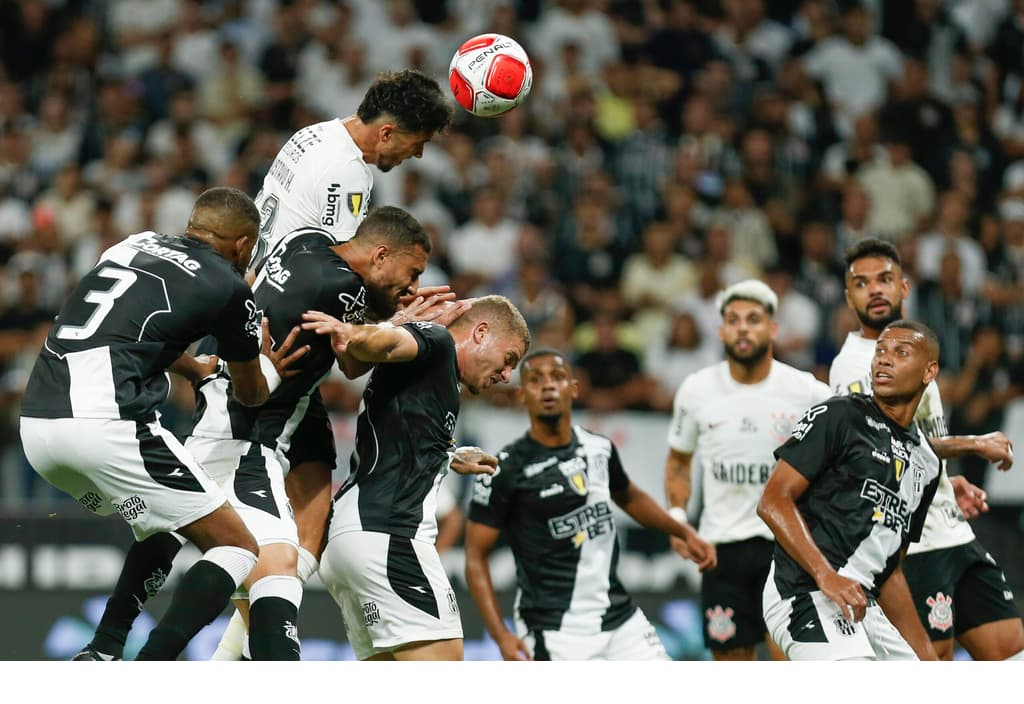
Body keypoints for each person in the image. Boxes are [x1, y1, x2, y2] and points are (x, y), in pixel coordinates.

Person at [73, 205, 459, 660]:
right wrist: (401, 323)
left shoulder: (305, 241)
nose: (413, 287)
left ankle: (108, 647)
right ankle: (142, 662)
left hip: (232, 409)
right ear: (379, 255)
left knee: (230, 546)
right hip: (250, 434)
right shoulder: (341, 287)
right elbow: (354, 361)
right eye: (411, 272)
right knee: (267, 564)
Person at [19, 187, 290, 661]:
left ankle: (102, 650)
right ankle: (151, 669)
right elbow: (250, 393)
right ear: (244, 245)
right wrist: (269, 366)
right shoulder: (230, 286)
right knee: (237, 547)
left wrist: (191, 368)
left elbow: (125, 329)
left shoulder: (131, 244)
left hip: (39, 431)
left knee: (160, 525)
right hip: (106, 428)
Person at [301, 295, 531, 660]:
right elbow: (387, 342)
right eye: (509, 360)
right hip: (390, 539)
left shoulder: (436, 378)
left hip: (352, 540)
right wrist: (358, 333)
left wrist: (448, 456)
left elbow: (398, 433)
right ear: (481, 332)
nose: (506, 376)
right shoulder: (437, 343)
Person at [829, 237, 1024, 660]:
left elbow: (912, 445)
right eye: (861, 284)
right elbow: (879, 446)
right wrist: (974, 443)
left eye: (884, 279)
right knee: (930, 667)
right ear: (849, 298)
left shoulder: (914, 344)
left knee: (1010, 650)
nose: (875, 290)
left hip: (950, 528)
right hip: (908, 549)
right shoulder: (854, 365)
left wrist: (943, 480)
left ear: (904, 287)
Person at [464, 349, 715, 661]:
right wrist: (500, 634)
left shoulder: (599, 448)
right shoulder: (504, 468)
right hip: (554, 629)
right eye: (535, 380)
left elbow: (630, 497)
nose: (547, 386)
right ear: (522, 395)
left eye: (557, 377)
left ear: (574, 388)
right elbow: (475, 554)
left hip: (619, 617)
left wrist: (681, 531)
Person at [663, 279, 832, 661]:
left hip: (789, 547)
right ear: (721, 330)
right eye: (733, 320)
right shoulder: (696, 390)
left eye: (753, 319)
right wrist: (677, 518)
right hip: (721, 550)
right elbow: (678, 461)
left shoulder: (807, 391)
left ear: (773, 329)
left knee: (790, 662)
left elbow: (848, 446)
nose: (742, 328)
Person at [758, 320, 944, 661]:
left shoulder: (928, 464)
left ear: (928, 371)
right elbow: (772, 502)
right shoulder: (840, 414)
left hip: (862, 603)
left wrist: (924, 653)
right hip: (805, 590)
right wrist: (825, 575)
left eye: (901, 353)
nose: (884, 360)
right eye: (880, 352)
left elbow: (890, 570)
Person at [250, 69, 453, 271]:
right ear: (386, 133)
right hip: (278, 292)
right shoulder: (348, 171)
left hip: (255, 275)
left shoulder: (312, 133)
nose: (418, 153)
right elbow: (339, 269)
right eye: (419, 143)